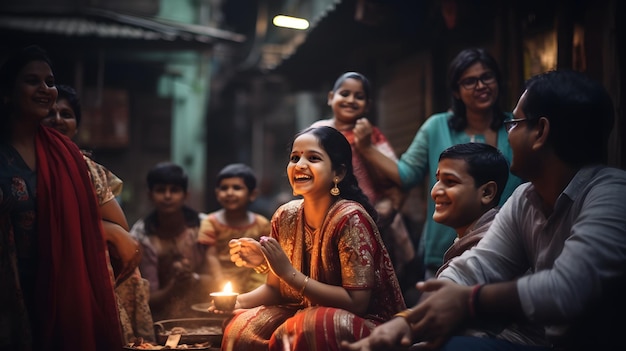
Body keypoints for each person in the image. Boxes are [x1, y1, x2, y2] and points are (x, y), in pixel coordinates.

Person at [342, 70, 626, 351]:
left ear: (540, 132)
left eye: (514, 123)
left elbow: (568, 288)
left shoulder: (612, 193)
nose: (507, 133)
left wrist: (467, 301)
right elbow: (475, 268)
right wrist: (404, 323)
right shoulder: (524, 199)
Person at [221, 126, 406, 351]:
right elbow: (275, 290)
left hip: (361, 321)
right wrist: (236, 301)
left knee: (313, 327)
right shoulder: (284, 215)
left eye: (313, 158)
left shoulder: (351, 218)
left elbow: (356, 303)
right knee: (240, 326)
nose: (299, 165)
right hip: (300, 314)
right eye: (294, 158)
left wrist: (289, 274)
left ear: (338, 173)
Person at [353, 48, 524, 279]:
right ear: (456, 90)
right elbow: (406, 175)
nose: (481, 86)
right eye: (470, 81)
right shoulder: (437, 126)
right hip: (444, 249)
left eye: (487, 77)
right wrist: (366, 148)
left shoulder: (517, 127)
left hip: (508, 246)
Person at [0, 45, 122, 349]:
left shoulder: (67, 155)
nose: (44, 89)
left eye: (50, 82)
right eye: (32, 80)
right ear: (7, 91)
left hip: (59, 288)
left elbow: (119, 229)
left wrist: (102, 230)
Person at [42, 84, 154, 343]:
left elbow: (121, 231)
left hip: (82, 270)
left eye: (66, 114)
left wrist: (112, 232)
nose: (58, 119)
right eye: (50, 113)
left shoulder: (86, 168)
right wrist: (106, 231)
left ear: (77, 125)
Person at [311, 71, 414, 285]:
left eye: (359, 97)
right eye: (345, 93)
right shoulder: (317, 132)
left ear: (367, 105)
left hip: (371, 215)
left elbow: (395, 174)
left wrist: (365, 144)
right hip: (325, 214)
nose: (350, 100)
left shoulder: (371, 134)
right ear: (331, 97)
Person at [130, 162, 221, 321]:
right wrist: (175, 285)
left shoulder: (204, 225)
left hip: (207, 310)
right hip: (160, 317)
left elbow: (219, 280)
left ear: (186, 195)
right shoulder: (141, 235)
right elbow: (147, 298)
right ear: (150, 195)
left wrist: (193, 278)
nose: (167, 196)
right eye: (160, 190)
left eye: (174, 190)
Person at [430, 142, 509, 276]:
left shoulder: (489, 252)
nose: (435, 191)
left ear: (487, 192)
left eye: (450, 181)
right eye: (438, 180)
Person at [198, 163, 271, 293]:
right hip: (218, 280)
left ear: (252, 194)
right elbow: (211, 257)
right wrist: (219, 281)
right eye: (224, 188)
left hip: (252, 282)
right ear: (217, 193)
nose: (229, 193)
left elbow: (266, 258)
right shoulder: (210, 222)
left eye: (237, 188)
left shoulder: (261, 223)